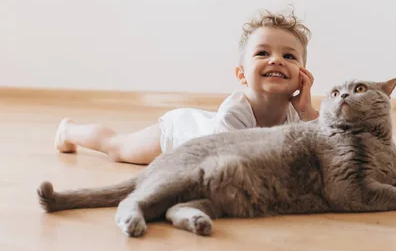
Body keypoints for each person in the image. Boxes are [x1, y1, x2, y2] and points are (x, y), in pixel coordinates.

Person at [54, 9, 319, 165]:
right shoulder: (235, 112)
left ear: (302, 75)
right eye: (262, 53)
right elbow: (233, 164)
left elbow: (322, 145)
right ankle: (69, 130)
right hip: (178, 134)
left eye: (289, 56)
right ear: (242, 75)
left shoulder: (297, 114)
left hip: (206, 128)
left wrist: (307, 110)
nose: (276, 60)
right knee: (118, 148)